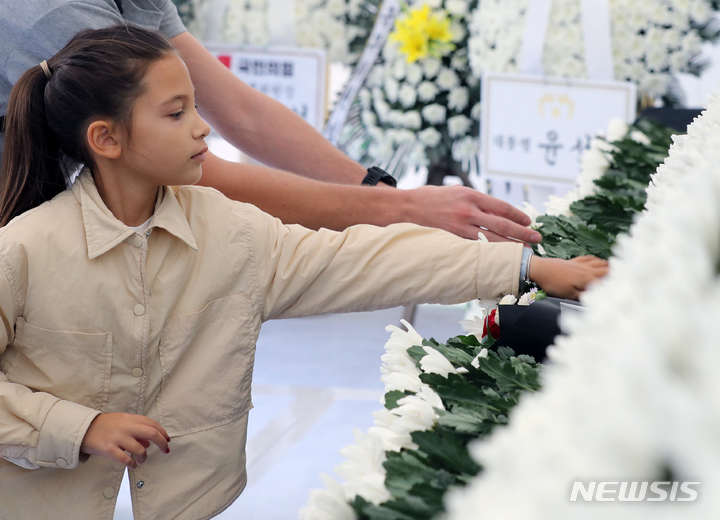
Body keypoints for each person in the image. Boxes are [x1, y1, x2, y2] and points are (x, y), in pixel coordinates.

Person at [0, 26, 607, 519]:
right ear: (106, 138)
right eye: (176, 113)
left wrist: (526, 266)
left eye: (196, 107)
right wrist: (80, 427)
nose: (202, 126)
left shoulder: (233, 232)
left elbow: (367, 260)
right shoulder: (24, 249)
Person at [0, 0, 542, 244]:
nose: (199, 126)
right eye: (176, 113)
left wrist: (374, 189)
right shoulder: (51, 14)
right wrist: (395, 209)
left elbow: (240, 111)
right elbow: (189, 167)